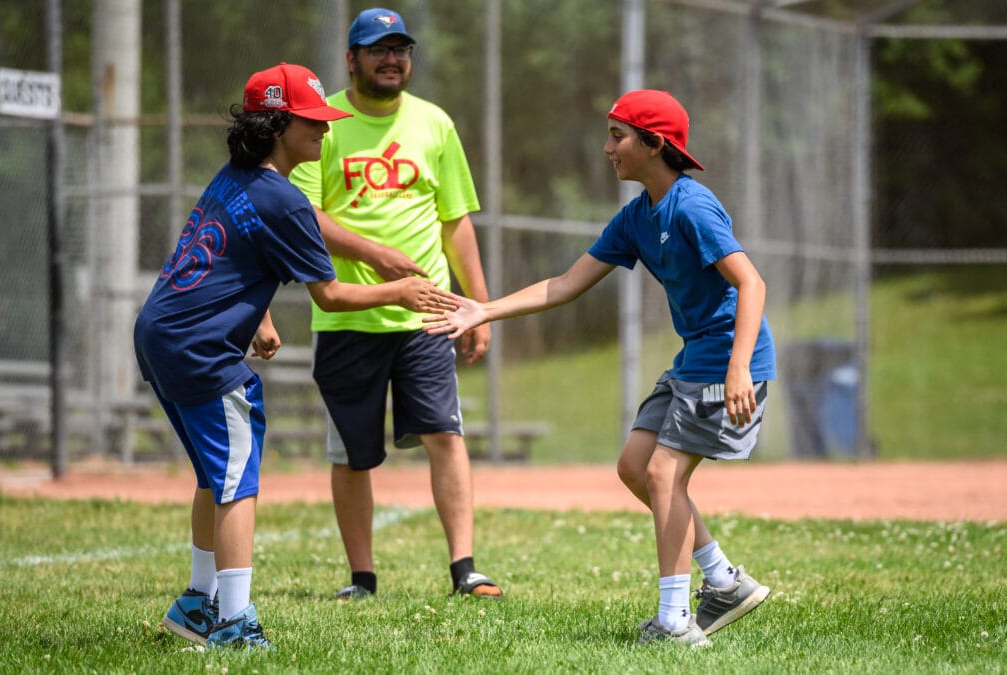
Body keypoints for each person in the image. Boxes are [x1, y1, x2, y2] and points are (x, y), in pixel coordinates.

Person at [424, 90, 775, 646]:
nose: (607, 147)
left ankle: (676, 623)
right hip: (695, 357)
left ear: (655, 143)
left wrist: (737, 369)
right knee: (637, 466)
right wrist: (482, 308)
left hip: (728, 358)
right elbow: (564, 284)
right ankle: (725, 582)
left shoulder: (692, 205)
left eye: (618, 136)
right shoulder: (638, 216)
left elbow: (751, 283)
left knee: (664, 475)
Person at [133, 62, 460, 650]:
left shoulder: (237, 176)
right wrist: (401, 291)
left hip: (160, 332)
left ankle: (195, 605)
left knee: (215, 474)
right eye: (312, 121)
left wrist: (256, 314)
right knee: (237, 481)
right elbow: (330, 295)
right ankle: (233, 623)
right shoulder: (283, 199)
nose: (325, 130)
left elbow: (229, 252)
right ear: (278, 125)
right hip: (201, 347)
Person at [288, 8, 502, 600]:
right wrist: (375, 253)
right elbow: (305, 213)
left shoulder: (435, 123)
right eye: (377, 49)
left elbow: (454, 220)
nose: (391, 59)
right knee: (352, 455)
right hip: (347, 314)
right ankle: (362, 578)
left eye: (400, 49)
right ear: (351, 59)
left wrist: (477, 305)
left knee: (445, 436)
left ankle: (466, 569)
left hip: (427, 314)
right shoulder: (322, 123)